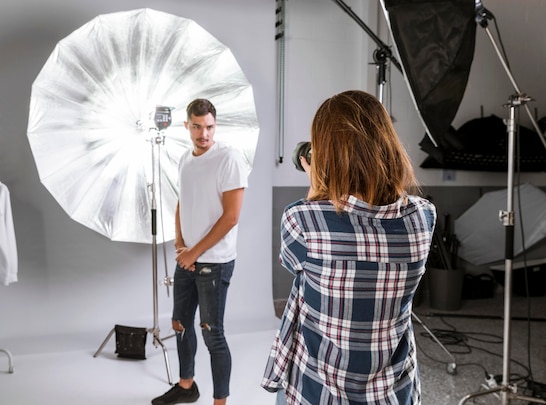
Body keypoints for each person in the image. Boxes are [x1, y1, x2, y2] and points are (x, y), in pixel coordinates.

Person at [261, 90, 436, 404]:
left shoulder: (301, 219)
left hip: (317, 390)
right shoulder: (424, 216)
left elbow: (293, 263)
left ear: (324, 154)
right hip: (392, 391)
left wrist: (318, 187)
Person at [152, 98, 249, 405]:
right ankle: (186, 386)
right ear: (187, 126)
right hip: (188, 258)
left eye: (208, 127)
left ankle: (220, 402)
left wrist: (194, 253)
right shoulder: (185, 159)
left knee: (212, 333)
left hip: (214, 262)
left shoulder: (229, 158)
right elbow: (182, 202)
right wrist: (180, 243)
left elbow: (231, 217)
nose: (203, 134)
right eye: (196, 127)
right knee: (179, 323)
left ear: (214, 125)